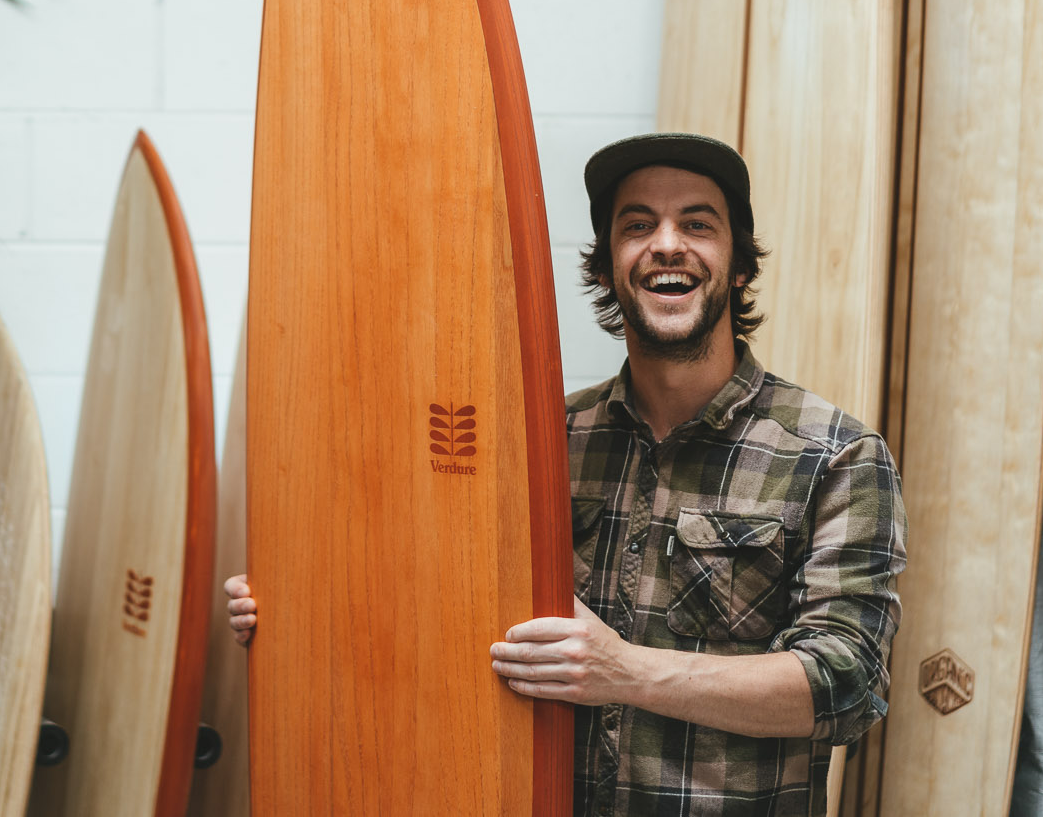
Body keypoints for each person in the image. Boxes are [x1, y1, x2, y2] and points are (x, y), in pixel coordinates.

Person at [224, 132, 906, 815]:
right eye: (637, 225)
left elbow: (847, 685)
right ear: (609, 270)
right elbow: (423, 606)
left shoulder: (833, 455)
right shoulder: (541, 446)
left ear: (737, 267)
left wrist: (626, 673)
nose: (667, 243)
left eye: (697, 223)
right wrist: (293, 611)